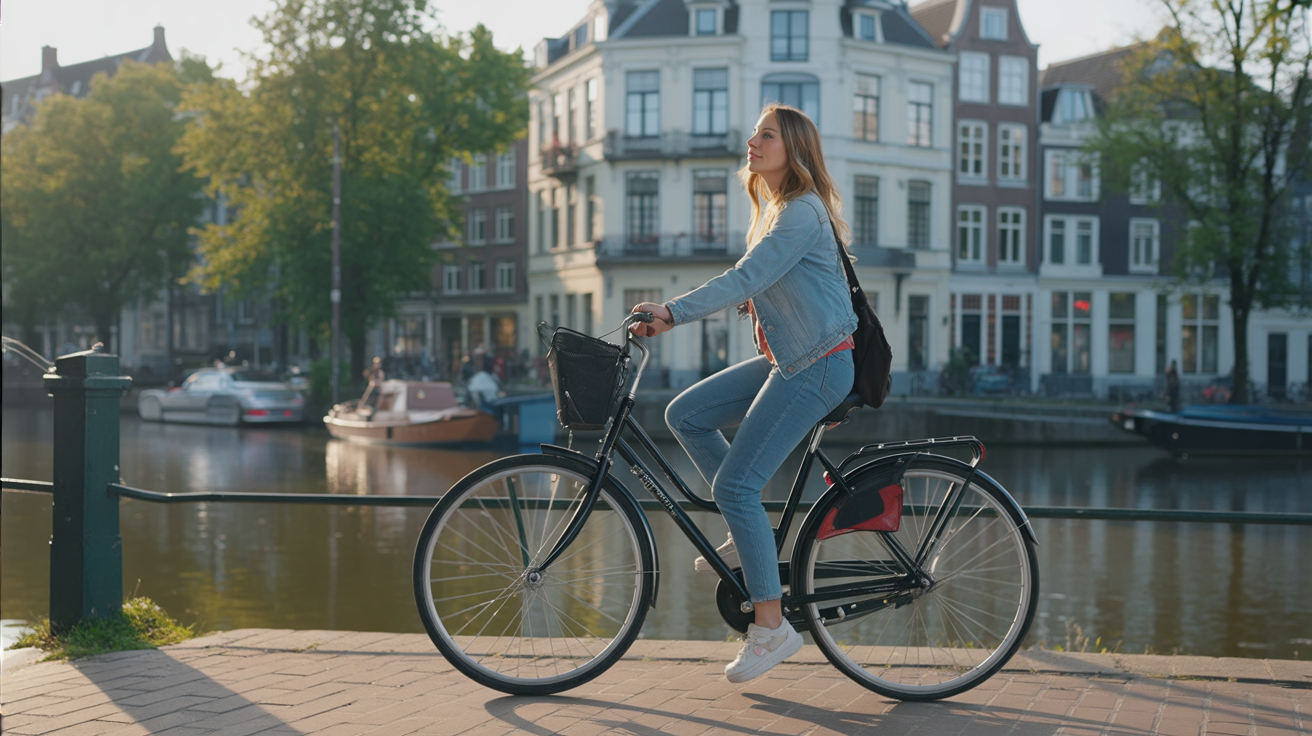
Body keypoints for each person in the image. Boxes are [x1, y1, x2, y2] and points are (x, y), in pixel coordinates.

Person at [629, 104, 857, 683]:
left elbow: (748, 277)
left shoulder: (801, 213)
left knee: (737, 483)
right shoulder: (779, 210)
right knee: (687, 414)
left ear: (794, 149)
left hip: (820, 365)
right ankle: (744, 531)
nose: (752, 141)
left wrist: (673, 311)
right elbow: (760, 284)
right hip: (792, 357)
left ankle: (772, 627)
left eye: (767, 134)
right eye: (754, 133)